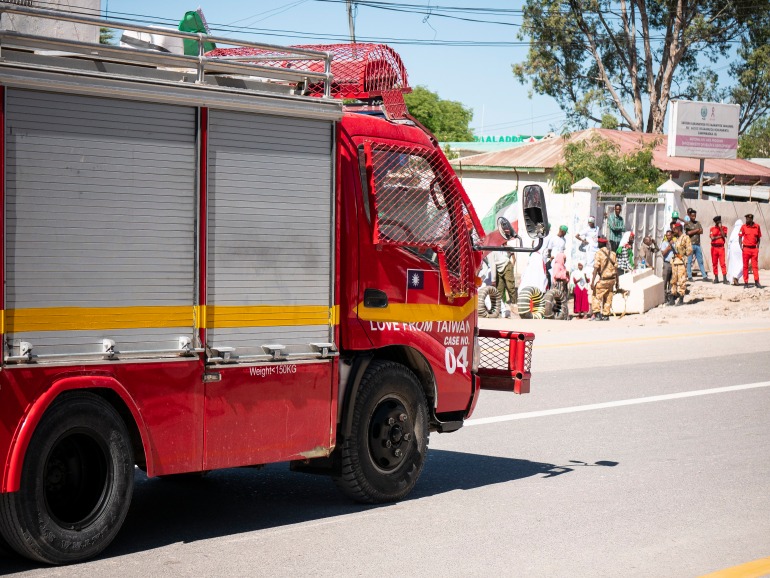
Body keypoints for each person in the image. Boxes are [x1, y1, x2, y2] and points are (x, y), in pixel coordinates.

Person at [590, 236, 619, 321]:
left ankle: (597, 314)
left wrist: (592, 282)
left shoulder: (598, 253)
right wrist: (617, 282)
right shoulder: (613, 254)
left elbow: (596, 268)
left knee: (596, 296)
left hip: (603, 279)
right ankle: (606, 315)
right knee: (608, 296)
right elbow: (616, 269)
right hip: (612, 279)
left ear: (600, 243)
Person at [488, 247, 517, 317]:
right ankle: (500, 308)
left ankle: (514, 304)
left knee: (510, 286)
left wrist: (493, 280)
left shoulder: (490, 252)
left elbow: (492, 266)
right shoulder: (488, 252)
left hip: (506, 265)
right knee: (499, 289)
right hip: (499, 268)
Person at [670, 222, 693, 306]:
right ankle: (672, 297)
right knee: (673, 280)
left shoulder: (685, 238)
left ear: (679, 229)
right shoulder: (675, 239)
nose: (673, 231)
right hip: (675, 262)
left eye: (674, 229)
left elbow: (689, 250)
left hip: (681, 262)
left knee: (681, 280)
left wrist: (683, 255)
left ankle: (681, 298)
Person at [684, 208, 710, 282]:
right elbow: (688, 233)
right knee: (689, 261)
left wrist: (694, 231)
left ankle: (704, 276)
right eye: (692, 216)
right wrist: (697, 230)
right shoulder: (687, 224)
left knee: (700, 261)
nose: (694, 217)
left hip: (698, 245)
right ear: (690, 216)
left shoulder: (698, 223)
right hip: (690, 245)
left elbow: (701, 231)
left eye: (694, 216)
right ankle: (689, 276)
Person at [739, 213, 763, 288]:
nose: (746, 220)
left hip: (754, 249)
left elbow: (759, 238)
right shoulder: (743, 227)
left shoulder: (757, 227)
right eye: (746, 219)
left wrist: (757, 247)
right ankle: (746, 283)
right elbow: (739, 237)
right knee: (745, 266)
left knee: (755, 266)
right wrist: (741, 246)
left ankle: (757, 281)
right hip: (746, 249)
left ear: (751, 219)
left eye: (748, 219)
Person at [543, 224, 568, 288]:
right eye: (565, 232)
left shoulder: (564, 240)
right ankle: (551, 288)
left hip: (561, 261)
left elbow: (563, 251)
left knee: (561, 275)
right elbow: (549, 250)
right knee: (553, 274)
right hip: (554, 260)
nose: (565, 234)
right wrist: (550, 258)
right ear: (562, 231)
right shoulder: (553, 239)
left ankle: (559, 290)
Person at [709, 215, 728, 285]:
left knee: (723, 263)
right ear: (715, 222)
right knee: (714, 263)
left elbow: (724, 235)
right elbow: (712, 238)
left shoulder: (724, 228)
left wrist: (720, 228)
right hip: (714, 248)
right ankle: (716, 278)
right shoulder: (712, 229)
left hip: (721, 247)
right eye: (718, 222)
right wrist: (719, 236)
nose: (719, 223)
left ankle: (724, 278)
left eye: (720, 221)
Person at [727, 219, 744, 286]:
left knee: (733, 264)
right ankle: (736, 276)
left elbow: (729, 243)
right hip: (740, 248)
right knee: (742, 263)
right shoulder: (742, 231)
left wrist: (728, 252)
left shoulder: (733, 233)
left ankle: (733, 278)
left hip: (732, 249)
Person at [659, 230, 674, 298]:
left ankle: (670, 294)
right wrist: (668, 247)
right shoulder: (664, 243)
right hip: (666, 263)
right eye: (667, 235)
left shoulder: (675, 243)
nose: (668, 237)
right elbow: (663, 253)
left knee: (672, 280)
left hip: (673, 263)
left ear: (672, 235)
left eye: (669, 235)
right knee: (665, 280)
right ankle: (664, 295)